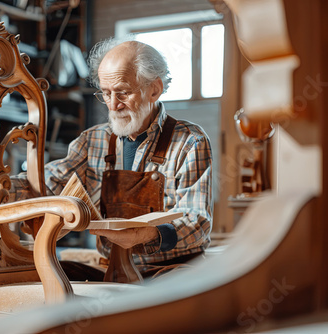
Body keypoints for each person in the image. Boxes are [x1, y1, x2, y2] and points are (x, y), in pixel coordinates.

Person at [13, 36, 213, 278]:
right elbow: (48, 183)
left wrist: (147, 235)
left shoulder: (190, 141)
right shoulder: (92, 141)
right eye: (106, 93)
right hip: (115, 270)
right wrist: (3, 188)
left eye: (123, 93)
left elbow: (198, 221)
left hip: (173, 272)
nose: (113, 105)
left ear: (154, 90)